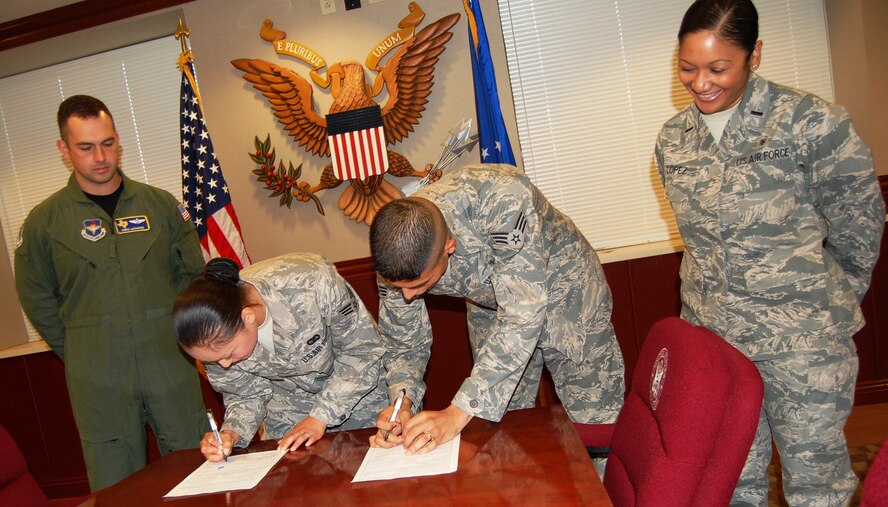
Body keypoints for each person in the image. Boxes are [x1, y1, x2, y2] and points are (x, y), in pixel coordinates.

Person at [655, 1, 885, 504]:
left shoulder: (812, 123)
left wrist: (823, 303)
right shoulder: (674, 139)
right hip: (716, 342)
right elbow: (697, 242)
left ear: (754, 54)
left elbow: (860, 226)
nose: (700, 83)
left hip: (803, 342)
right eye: (687, 67)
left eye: (718, 68)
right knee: (732, 480)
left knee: (815, 485)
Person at [14, 95, 208, 490]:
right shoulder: (45, 222)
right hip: (98, 375)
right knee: (117, 485)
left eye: (107, 143)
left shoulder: (160, 206)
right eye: (85, 147)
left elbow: (192, 277)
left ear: (118, 139)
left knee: (196, 468)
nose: (99, 157)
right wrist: (81, 344)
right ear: (64, 150)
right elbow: (37, 296)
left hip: (168, 360)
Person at [368, 163, 625, 456]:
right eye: (399, 286)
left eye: (420, 284)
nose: (408, 296)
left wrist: (457, 412)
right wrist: (403, 402)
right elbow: (404, 344)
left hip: (567, 290)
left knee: (594, 418)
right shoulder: (397, 254)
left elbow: (522, 315)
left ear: (449, 247)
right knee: (506, 423)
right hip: (489, 303)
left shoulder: (501, 199)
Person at [172, 253, 389, 462]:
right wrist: (230, 433)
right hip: (290, 415)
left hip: (360, 398)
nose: (225, 364)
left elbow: (362, 350)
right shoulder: (211, 338)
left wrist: (321, 416)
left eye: (229, 354)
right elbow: (245, 394)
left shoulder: (310, 282)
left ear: (247, 317)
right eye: (214, 362)